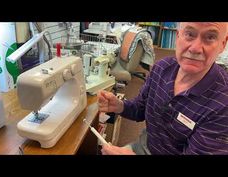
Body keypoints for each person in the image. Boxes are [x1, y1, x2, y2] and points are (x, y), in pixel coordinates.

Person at [97, 22, 228, 155]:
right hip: (144, 144)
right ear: (178, 36)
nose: (195, 48)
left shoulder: (222, 104)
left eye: (210, 37)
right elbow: (140, 108)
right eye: (189, 34)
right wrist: (119, 106)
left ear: (223, 44)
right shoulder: (161, 68)